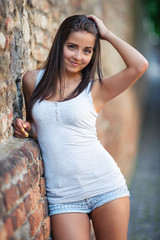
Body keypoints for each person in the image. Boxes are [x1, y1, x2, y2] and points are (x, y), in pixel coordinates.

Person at [12, 14, 148, 240]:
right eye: (72, 47)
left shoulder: (95, 89)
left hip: (105, 186)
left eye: (87, 50)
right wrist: (25, 128)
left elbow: (140, 65)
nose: (78, 56)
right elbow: (39, 127)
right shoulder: (32, 81)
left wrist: (106, 34)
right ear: (60, 44)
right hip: (64, 196)